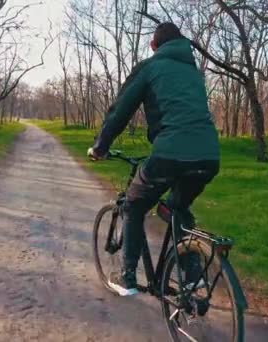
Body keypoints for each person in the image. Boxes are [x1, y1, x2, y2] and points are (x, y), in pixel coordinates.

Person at [87, 22, 220, 296]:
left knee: (134, 205)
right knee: (177, 208)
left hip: (170, 152)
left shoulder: (150, 67)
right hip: (209, 156)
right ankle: (193, 276)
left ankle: (127, 278)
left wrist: (101, 147)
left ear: (153, 46)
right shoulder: (194, 72)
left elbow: (119, 111)